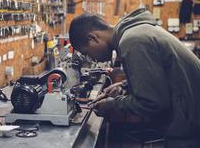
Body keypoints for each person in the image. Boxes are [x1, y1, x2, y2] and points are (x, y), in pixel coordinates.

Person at [68, 8, 200, 148]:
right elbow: (159, 75)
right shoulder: (136, 32)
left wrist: (112, 105)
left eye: (87, 53)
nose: (91, 58)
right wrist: (124, 85)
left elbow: (152, 102)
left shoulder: (132, 41)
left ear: (92, 37)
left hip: (190, 125)